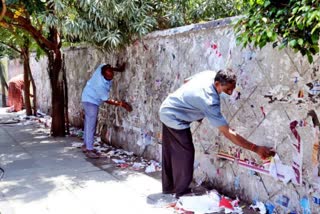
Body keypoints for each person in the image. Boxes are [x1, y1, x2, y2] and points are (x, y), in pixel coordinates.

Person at [159, 69, 275, 198]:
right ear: (217, 84)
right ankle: (181, 191)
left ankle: (169, 187)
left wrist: (189, 102)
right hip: (174, 117)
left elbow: (186, 81)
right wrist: (255, 148)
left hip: (168, 106)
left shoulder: (208, 74)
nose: (230, 93)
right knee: (186, 153)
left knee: (170, 151)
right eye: (228, 89)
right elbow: (228, 132)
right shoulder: (210, 101)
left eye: (233, 88)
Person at [81, 63, 132, 159]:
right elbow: (107, 100)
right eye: (108, 77)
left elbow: (109, 67)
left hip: (87, 97)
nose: (111, 77)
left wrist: (119, 69)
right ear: (103, 75)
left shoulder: (101, 68)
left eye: (112, 75)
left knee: (88, 123)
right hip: (91, 100)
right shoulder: (99, 85)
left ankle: (86, 145)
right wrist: (122, 104)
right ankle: (89, 149)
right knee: (91, 124)